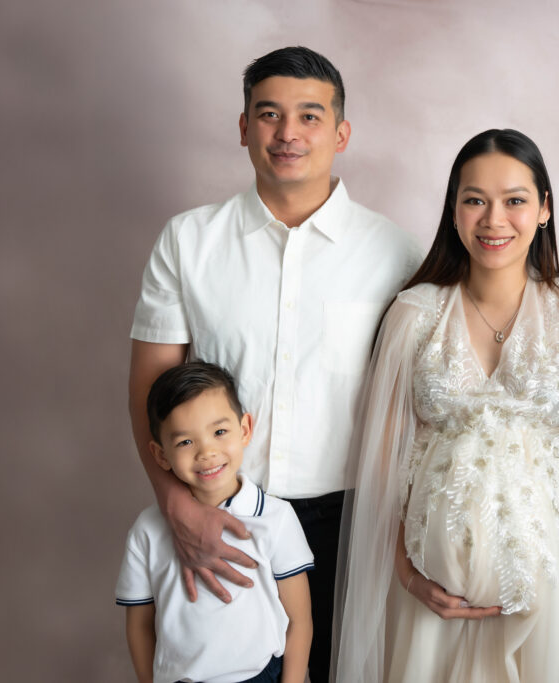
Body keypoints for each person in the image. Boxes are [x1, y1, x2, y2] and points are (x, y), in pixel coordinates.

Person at [127, 46, 420, 683]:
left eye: (310, 116)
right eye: (268, 114)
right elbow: (150, 387)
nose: (288, 133)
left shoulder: (397, 253)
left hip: (352, 518)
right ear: (242, 127)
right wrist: (177, 503)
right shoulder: (188, 242)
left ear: (341, 133)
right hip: (225, 515)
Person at [335, 129, 559, 683]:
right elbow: (381, 464)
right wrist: (407, 573)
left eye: (514, 200)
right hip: (434, 594)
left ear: (544, 209)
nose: (494, 219)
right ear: (453, 209)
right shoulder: (414, 316)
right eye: (474, 200)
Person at [117, 362, 313, 683]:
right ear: (160, 455)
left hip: (260, 677)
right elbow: (139, 624)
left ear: (245, 429)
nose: (207, 452)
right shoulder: (148, 530)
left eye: (219, 432)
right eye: (185, 442)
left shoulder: (275, 518)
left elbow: (300, 620)